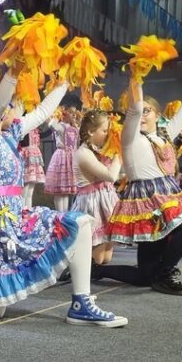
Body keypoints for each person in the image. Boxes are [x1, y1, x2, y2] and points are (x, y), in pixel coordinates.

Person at [0, 71, 126, 327]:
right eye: (9, 105)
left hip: (15, 216)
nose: (13, 110)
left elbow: (41, 112)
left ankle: (80, 303)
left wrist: (65, 80)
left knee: (81, 223)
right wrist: (13, 73)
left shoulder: (9, 135)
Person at [98, 71, 182, 295]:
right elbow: (135, 110)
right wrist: (136, 81)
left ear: (158, 115)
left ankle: (160, 272)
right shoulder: (130, 138)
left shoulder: (166, 134)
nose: (142, 115)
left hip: (168, 195)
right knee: (146, 274)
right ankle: (158, 274)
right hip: (145, 202)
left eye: (148, 111)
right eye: (140, 111)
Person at [71, 110, 121, 265]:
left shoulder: (98, 149)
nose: (108, 134)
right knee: (97, 259)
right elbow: (110, 176)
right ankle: (79, 269)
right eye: (104, 131)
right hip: (92, 203)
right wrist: (119, 155)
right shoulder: (83, 153)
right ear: (91, 131)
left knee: (106, 258)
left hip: (106, 199)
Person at [44, 106, 79, 212]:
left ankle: (66, 213)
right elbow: (51, 123)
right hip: (62, 157)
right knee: (60, 189)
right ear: (64, 114)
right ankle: (60, 214)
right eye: (71, 112)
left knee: (67, 190)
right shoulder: (60, 126)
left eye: (75, 113)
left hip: (72, 158)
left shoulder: (75, 128)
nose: (74, 115)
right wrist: (53, 115)